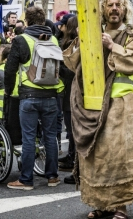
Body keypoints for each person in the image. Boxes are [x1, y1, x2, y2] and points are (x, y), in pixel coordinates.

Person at [63, 0, 133, 219]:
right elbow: (72, 63)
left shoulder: (132, 34)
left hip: (123, 105)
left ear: (125, 9)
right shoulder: (94, 34)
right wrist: (82, 40)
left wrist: (112, 46)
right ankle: (101, 204)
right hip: (95, 105)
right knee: (98, 158)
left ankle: (121, 206)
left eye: (118, 5)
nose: (114, 9)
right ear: (103, 9)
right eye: (109, 5)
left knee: (121, 158)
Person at [4, 6, 64, 190]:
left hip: (28, 95)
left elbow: (10, 69)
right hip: (51, 95)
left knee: (28, 138)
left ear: (27, 21)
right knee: (50, 136)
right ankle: (52, 177)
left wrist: (8, 90)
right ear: (43, 20)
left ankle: (26, 180)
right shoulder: (53, 39)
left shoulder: (22, 40)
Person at [58, 15, 78, 181]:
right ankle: (72, 157)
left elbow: (70, 70)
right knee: (72, 129)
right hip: (73, 90)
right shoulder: (73, 43)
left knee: (73, 129)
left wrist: (58, 69)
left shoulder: (71, 45)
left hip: (71, 90)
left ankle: (75, 163)